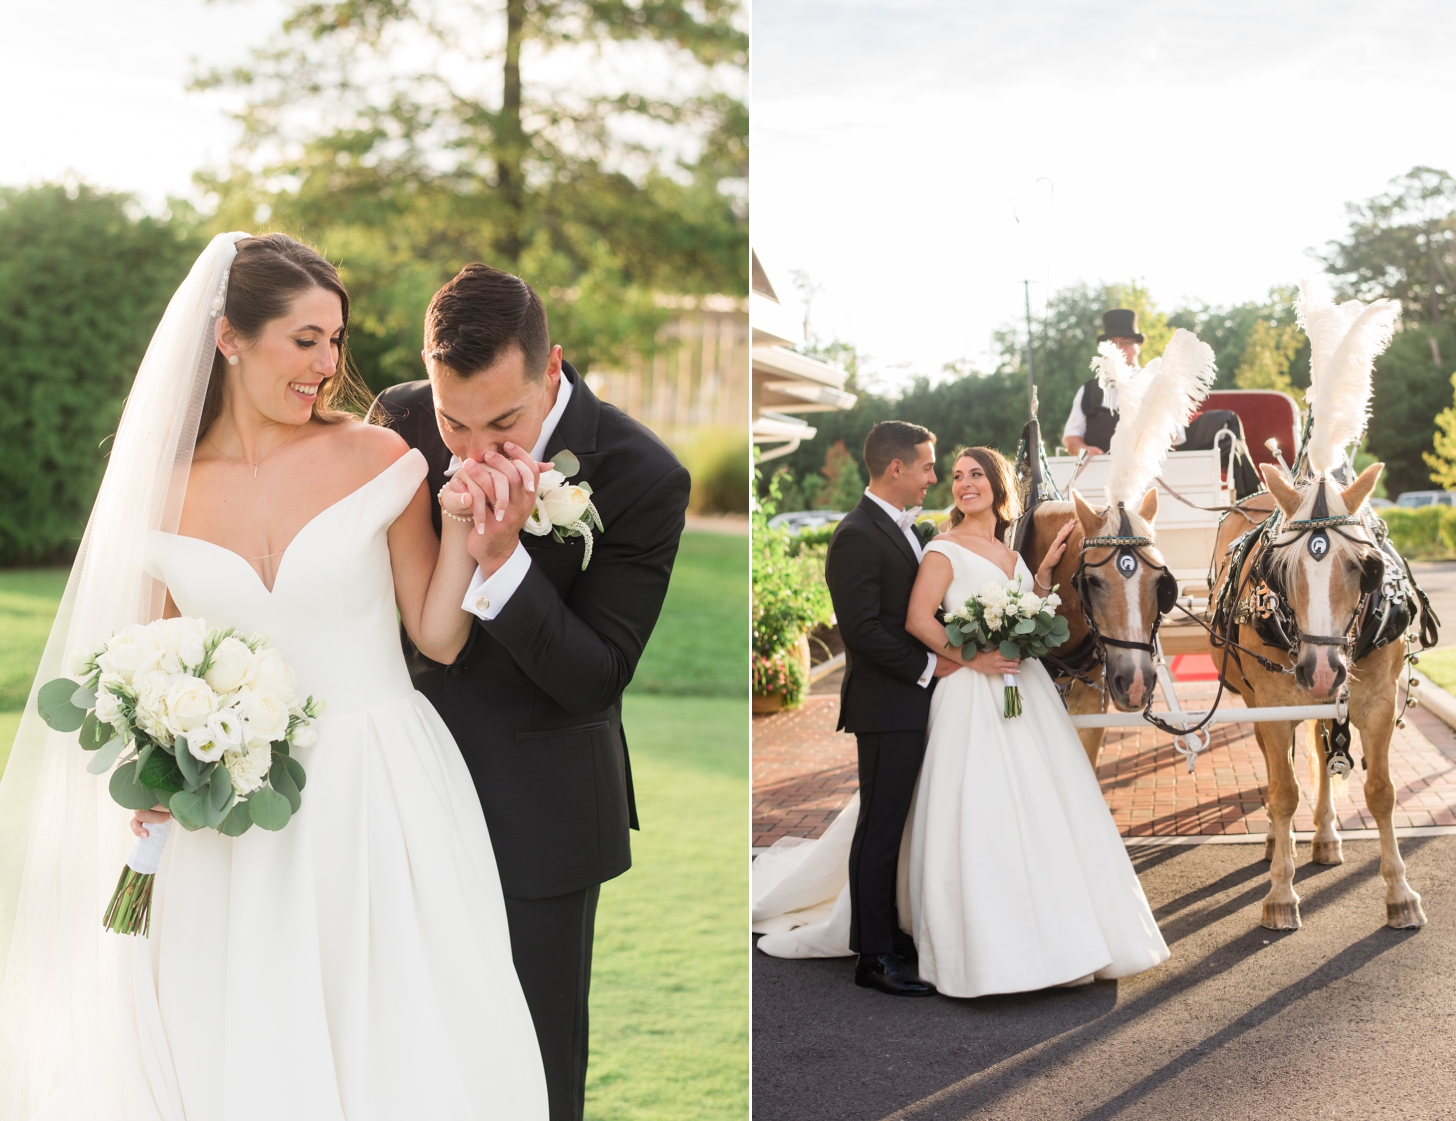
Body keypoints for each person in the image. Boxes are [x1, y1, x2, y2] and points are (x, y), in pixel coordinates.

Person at [0, 233, 548, 1117]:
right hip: (235, 822)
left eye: (336, 340)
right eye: (305, 340)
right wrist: (152, 769)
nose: (329, 365)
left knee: (398, 1038)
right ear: (229, 338)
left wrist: (484, 543)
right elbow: (144, 664)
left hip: (380, 794)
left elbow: (438, 636)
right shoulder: (161, 490)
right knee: (246, 1042)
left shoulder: (379, 460)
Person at [374, 265, 690, 1120]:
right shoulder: (395, 420)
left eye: (502, 421)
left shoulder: (643, 474)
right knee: (401, 1046)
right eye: (454, 420)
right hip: (394, 793)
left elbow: (597, 677)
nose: (473, 448)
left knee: (537, 1066)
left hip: (543, 813)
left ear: (552, 369)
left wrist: (504, 561)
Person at [754, 447, 1169, 999]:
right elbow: (917, 619)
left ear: (998, 486)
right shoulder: (941, 549)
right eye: (955, 477)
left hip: (1021, 693)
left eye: (975, 475)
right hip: (969, 696)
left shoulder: (1007, 551)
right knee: (979, 813)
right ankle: (981, 946)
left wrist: (1040, 580)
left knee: (1043, 808)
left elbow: (1025, 604)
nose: (963, 484)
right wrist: (971, 658)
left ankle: (1062, 933)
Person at [811, 422, 1003, 997]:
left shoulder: (915, 530)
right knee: (880, 827)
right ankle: (872, 955)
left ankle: (893, 934)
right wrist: (933, 666)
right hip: (886, 705)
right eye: (927, 466)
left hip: (920, 702)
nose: (935, 477)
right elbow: (863, 630)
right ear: (896, 469)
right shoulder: (855, 535)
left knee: (903, 826)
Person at [1064, 308, 1259, 498]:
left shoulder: (1155, 380)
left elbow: (1173, 435)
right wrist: (1084, 449)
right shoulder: (1088, 390)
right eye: (1113, 344)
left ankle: (1253, 499)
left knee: (1227, 424)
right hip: (1103, 475)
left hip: (1158, 465)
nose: (1120, 349)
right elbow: (1071, 438)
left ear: (1138, 346)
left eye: (1126, 342)